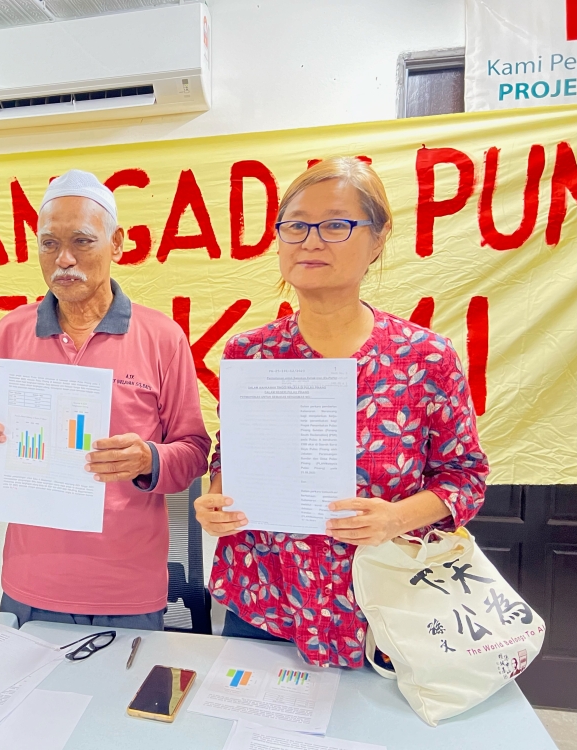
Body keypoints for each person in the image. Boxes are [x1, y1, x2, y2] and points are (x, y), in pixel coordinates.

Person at [194, 157, 488, 668]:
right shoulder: (251, 354)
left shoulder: (424, 357)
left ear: (377, 240)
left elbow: (465, 478)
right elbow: (232, 455)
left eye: (335, 225)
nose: (310, 241)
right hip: (266, 601)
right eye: (295, 226)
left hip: (384, 610)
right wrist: (217, 498)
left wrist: (396, 518)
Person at [0, 169, 211, 630]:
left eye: (82, 241)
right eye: (48, 244)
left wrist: (147, 458)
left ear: (116, 243)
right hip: (30, 582)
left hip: (128, 588)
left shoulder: (162, 337)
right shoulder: (12, 331)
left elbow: (194, 452)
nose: (64, 259)